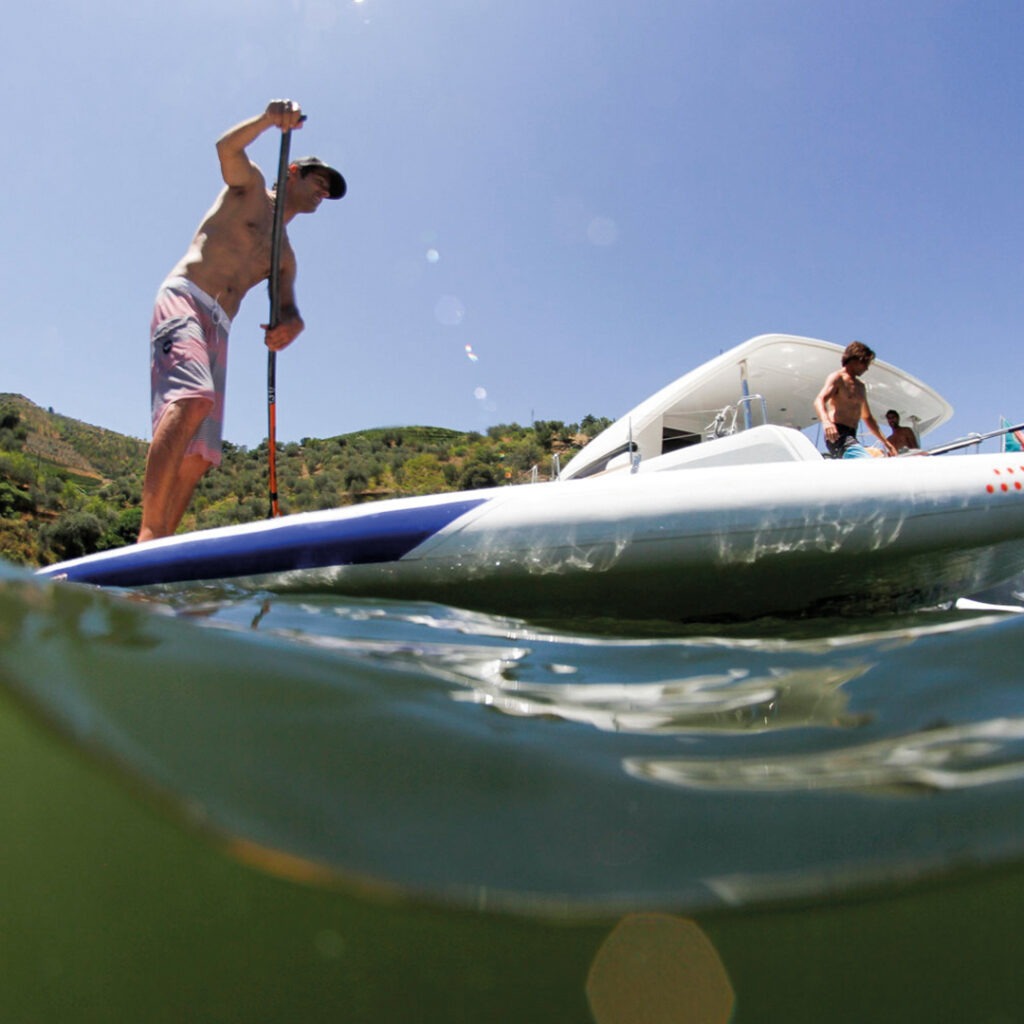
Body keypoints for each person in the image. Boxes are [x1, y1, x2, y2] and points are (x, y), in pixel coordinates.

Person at [138, 99, 346, 543]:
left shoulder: (284, 255)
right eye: (318, 180)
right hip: (186, 298)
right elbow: (225, 149)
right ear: (291, 172)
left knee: (202, 453)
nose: (323, 192)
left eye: (329, 190)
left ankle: (160, 549)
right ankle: (148, 534)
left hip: (221, 328)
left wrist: (291, 327)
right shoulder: (250, 188)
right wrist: (269, 121)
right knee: (193, 399)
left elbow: (287, 308)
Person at [814, 341, 898, 459]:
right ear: (857, 359)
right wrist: (826, 422)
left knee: (879, 456)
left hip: (851, 436)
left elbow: (867, 418)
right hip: (837, 434)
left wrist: (886, 443)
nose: (867, 368)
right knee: (865, 461)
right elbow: (819, 400)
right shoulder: (838, 378)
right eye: (866, 364)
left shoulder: (860, 386)